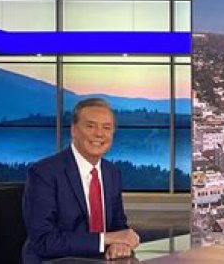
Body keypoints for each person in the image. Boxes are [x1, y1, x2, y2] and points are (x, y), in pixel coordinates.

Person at [22, 98, 140, 263]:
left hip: (101, 260)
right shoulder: (44, 173)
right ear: (74, 130)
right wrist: (106, 239)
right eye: (90, 126)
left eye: (106, 128)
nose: (99, 134)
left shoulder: (112, 172)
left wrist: (120, 244)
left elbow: (118, 225)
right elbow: (44, 241)